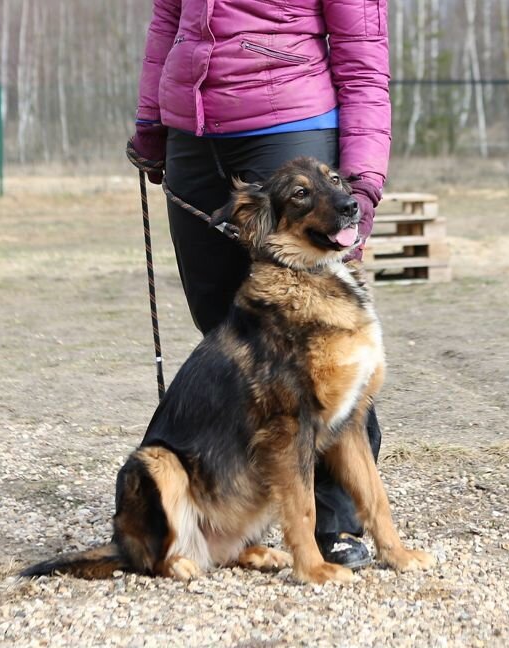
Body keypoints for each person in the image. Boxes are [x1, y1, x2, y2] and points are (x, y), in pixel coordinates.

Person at [129, 0, 391, 569]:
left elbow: (363, 57)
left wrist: (363, 182)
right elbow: (166, 23)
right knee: (227, 332)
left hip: (289, 124)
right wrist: (151, 119)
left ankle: (335, 522)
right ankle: (232, 511)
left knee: (318, 348)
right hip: (190, 135)